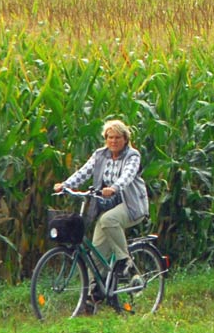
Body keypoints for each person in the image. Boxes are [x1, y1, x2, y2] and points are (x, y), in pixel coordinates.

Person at [54, 119, 150, 282]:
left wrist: (114, 188)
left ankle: (125, 262)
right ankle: (94, 295)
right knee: (96, 256)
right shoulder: (100, 154)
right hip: (106, 206)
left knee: (108, 220)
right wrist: (65, 185)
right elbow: (84, 172)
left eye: (118, 138)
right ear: (105, 139)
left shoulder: (132, 155)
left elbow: (127, 175)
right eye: (110, 137)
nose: (113, 141)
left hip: (130, 205)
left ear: (125, 139)